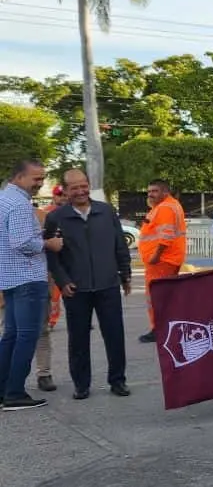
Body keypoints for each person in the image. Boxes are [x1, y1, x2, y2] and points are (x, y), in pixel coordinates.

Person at [44, 168, 132, 400]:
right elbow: (52, 255)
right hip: (76, 289)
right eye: (75, 188)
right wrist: (62, 281)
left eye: (84, 186)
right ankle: (81, 385)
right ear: (66, 190)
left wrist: (125, 274)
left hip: (108, 285)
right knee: (78, 339)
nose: (81, 191)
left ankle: (118, 381)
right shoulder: (56, 218)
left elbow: (119, 244)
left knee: (114, 336)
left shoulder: (106, 211)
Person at [1, 159, 65, 411]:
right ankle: (15, 393)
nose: (40, 183)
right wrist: (49, 244)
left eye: (42, 178)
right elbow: (22, 243)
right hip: (28, 277)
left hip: (10, 277)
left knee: (11, 335)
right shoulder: (18, 204)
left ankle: (4, 390)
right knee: (28, 336)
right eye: (36, 178)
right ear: (19, 177)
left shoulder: (4, 199)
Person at [137, 178, 187, 343]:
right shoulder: (167, 206)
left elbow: (166, 236)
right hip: (166, 260)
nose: (150, 194)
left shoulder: (165, 208)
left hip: (161, 261)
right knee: (165, 296)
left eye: (155, 191)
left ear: (165, 192)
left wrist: (155, 256)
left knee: (157, 297)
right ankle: (166, 329)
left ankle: (158, 330)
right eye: (149, 191)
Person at [32, 185, 68, 391]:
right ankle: (8, 376)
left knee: (41, 330)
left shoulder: (43, 217)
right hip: (8, 284)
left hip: (40, 280)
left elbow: (56, 249)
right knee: (9, 331)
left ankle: (44, 374)